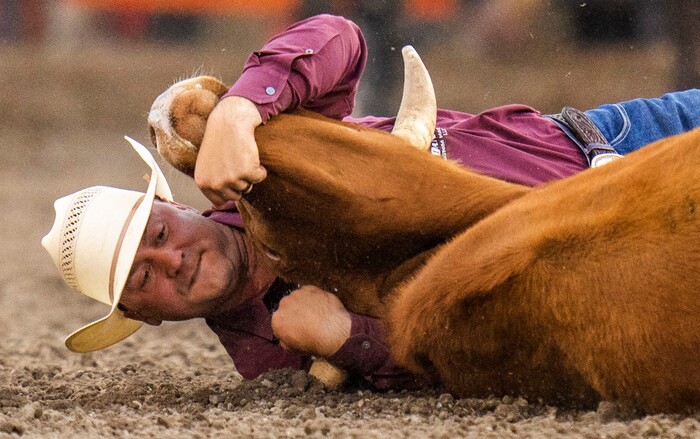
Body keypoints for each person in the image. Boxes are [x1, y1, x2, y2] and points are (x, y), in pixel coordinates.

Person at [42, 14, 700, 391]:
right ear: (141, 314)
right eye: (143, 275)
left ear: (172, 205)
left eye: (155, 230)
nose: (171, 256)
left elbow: (338, 38)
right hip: (624, 277)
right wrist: (346, 338)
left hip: (619, 139)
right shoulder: (274, 356)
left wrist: (242, 108)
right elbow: (470, 358)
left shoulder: (259, 151)